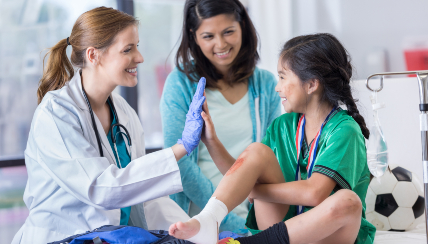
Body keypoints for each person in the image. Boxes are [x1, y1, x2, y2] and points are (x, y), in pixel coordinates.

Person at [12, 7, 208, 244]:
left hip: (110, 238)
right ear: (94, 56)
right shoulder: (56, 114)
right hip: (61, 237)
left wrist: (196, 232)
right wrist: (181, 147)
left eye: (137, 45)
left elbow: (142, 196)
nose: (140, 57)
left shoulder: (124, 112)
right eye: (128, 49)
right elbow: (100, 188)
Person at [169, 33, 376, 244]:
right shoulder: (283, 125)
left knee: (349, 202)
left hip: (326, 237)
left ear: (311, 84)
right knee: (257, 152)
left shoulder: (344, 130)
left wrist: (254, 189)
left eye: (283, 77)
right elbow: (239, 175)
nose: (277, 87)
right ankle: (208, 220)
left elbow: (315, 193)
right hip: (280, 234)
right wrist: (211, 141)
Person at [160, 0, 280, 232]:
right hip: (198, 219)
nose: (221, 44)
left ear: (243, 27)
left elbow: (272, 159)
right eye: (208, 36)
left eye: (228, 32)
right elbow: (178, 162)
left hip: (256, 219)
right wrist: (223, 218)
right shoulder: (180, 83)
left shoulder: (266, 84)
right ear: (193, 36)